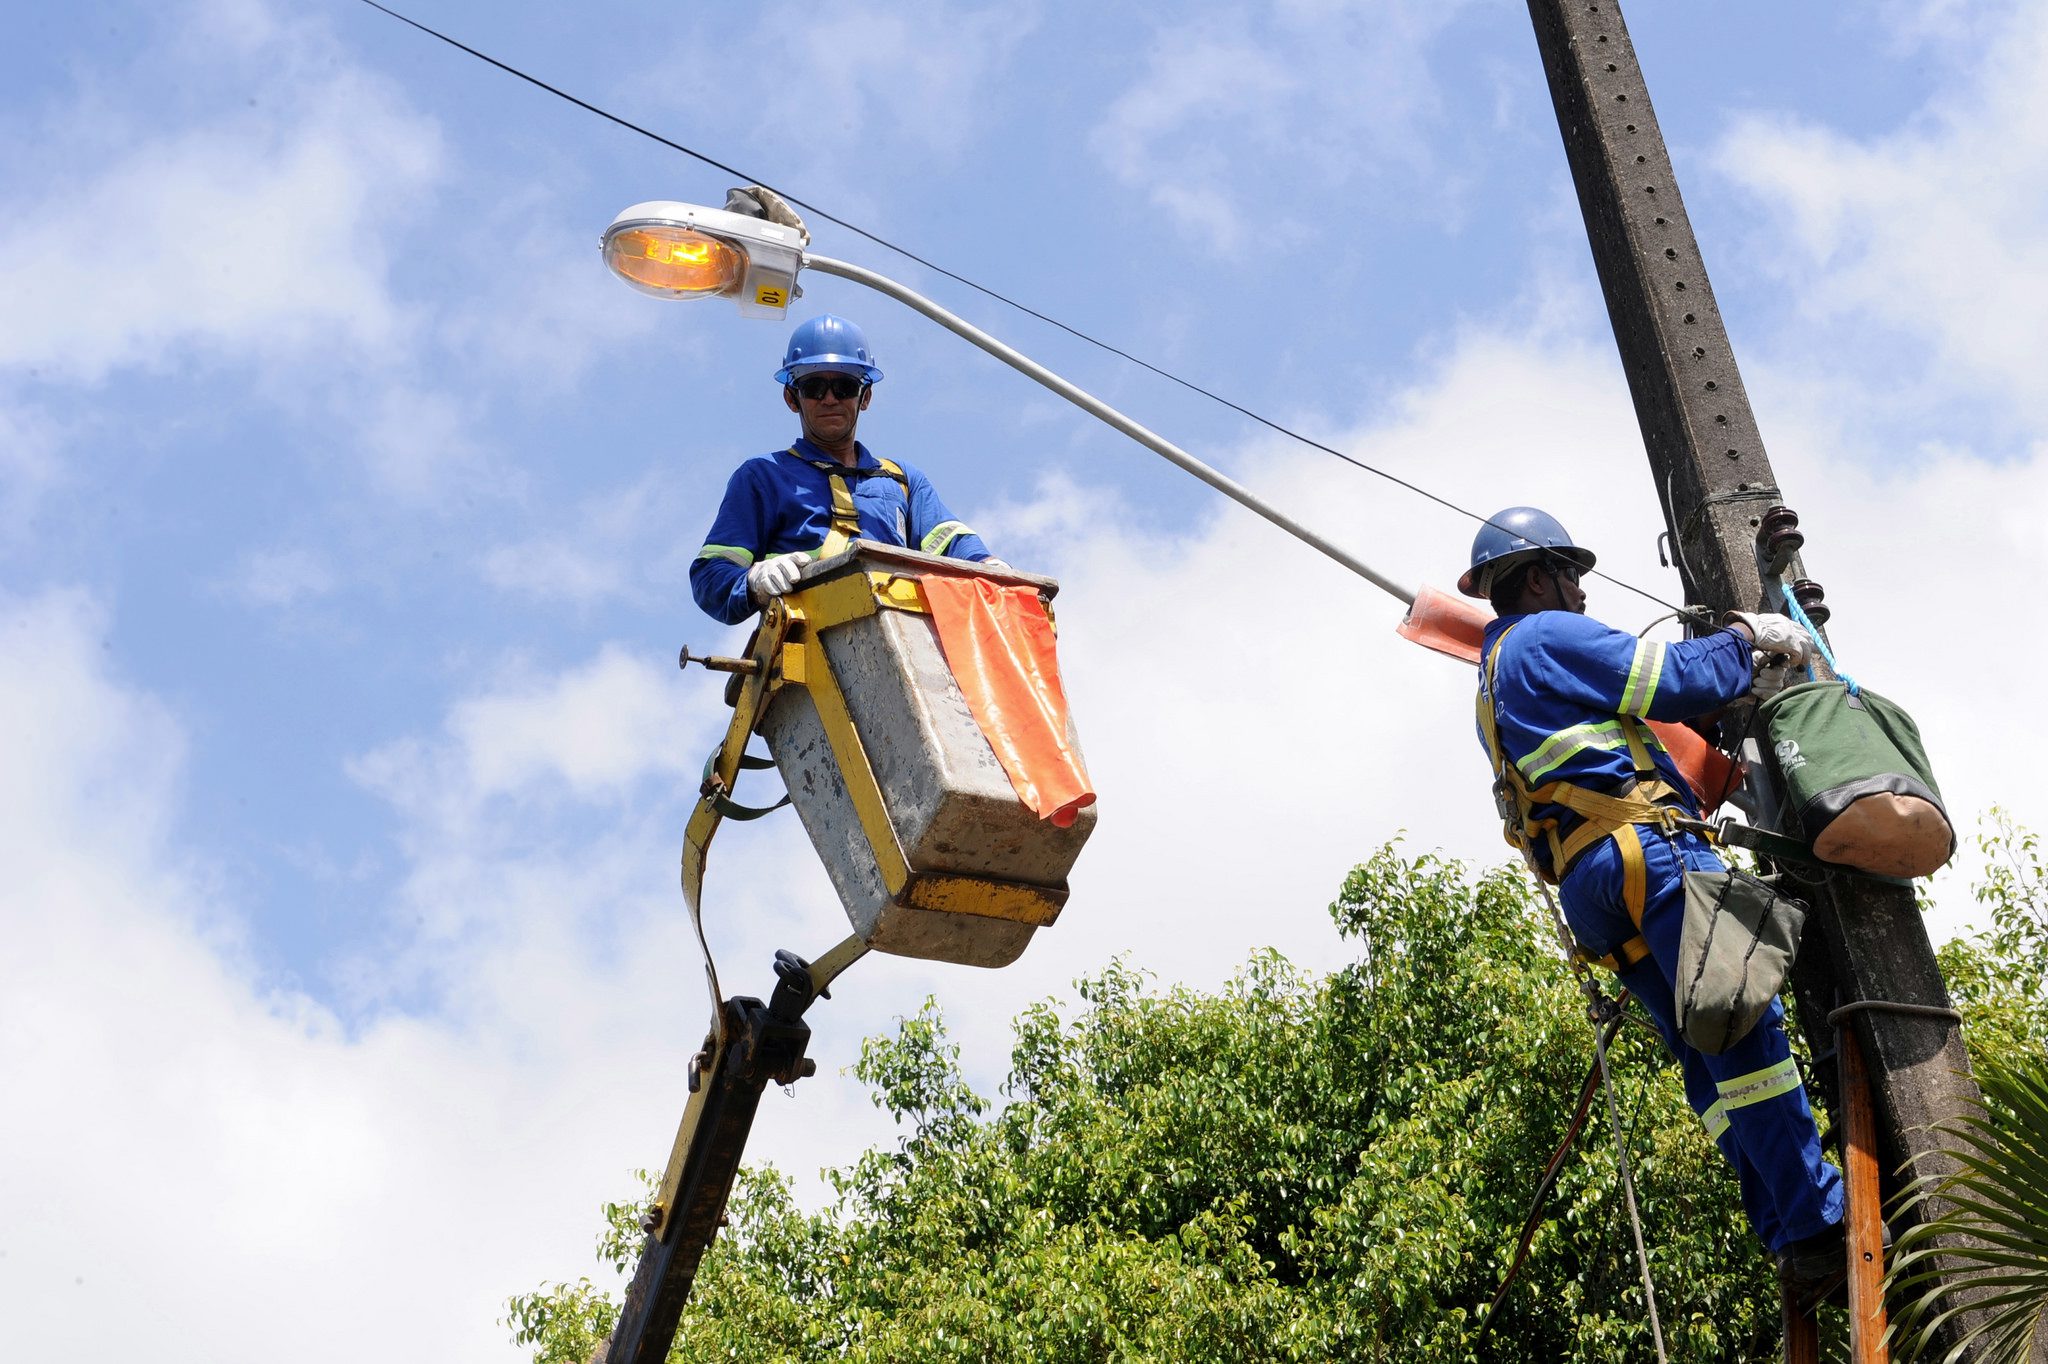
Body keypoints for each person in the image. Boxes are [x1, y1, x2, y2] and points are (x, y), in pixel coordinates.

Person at [1462, 506, 1848, 1289]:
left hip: (1597, 887)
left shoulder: (1495, 675)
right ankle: (1817, 1220)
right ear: (1535, 578)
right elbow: (1670, 679)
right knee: (1743, 1030)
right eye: (1570, 575)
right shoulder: (1545, 635)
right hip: (1649, 855)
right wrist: (1746, 635)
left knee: (1710, 1062)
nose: (1580, 592)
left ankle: (1784, 1229)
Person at [690, 314, 1003, 625]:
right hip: (807, 651)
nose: (829, 399)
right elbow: (711, 576)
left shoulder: (901, 481)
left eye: (844, 386)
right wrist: (754, 581)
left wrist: (991, 567)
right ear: (791, 398)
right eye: (814, 387)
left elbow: (956, 546)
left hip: (904, 639)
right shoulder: (764, 476)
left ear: (864, 397)